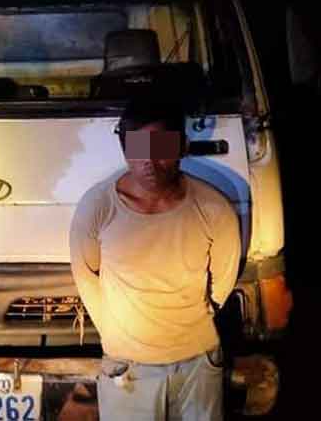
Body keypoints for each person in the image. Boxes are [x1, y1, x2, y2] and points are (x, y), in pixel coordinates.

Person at [69, 99, 245, 420]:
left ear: (182, 147)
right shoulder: (97, 206)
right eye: (139, 149)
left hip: (198, 363)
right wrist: (117, 334)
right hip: (128, 369)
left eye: (161, 147)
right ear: (125, 152)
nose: (149, 161)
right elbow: (86, 273)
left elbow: (222, 281)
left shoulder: (214, 208)